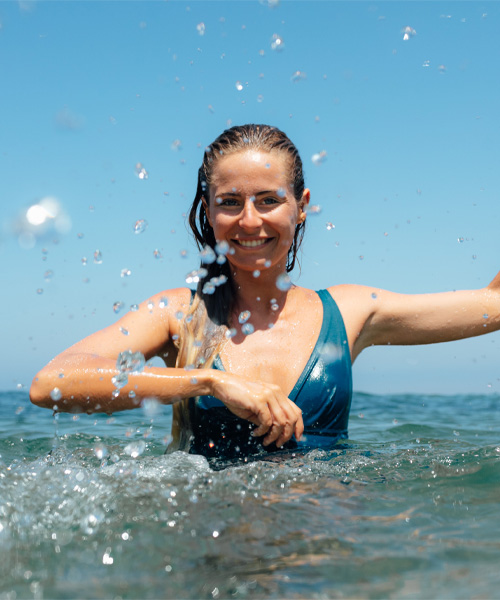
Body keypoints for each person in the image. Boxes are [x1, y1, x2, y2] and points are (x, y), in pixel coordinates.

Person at [30, 124, 500, 462]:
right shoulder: (179, 313)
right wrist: (208, 382)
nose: (250, 221)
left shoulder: (350, 311)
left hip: (324, 551)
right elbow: (52, 382)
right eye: (230, 203)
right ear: (208, 213)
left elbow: (493, 305)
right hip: (210, 551)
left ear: (302, 207)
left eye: (269, 200)